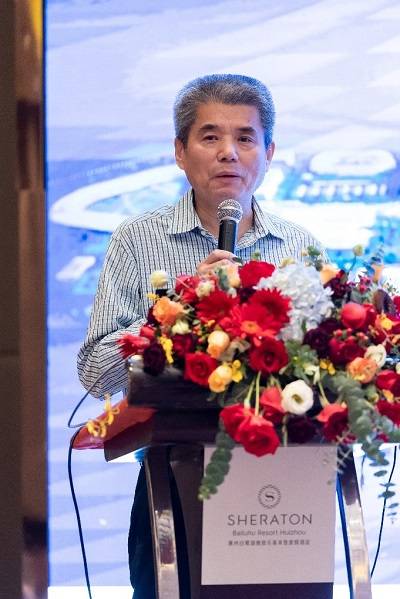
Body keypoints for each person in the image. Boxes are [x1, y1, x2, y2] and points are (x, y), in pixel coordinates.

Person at [77, 73, 326, 598]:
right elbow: (96, 372)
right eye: (210, 137)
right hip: (172, 481)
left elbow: (326, 367)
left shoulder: (300, 247)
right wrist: (179, 310)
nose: (228, 152)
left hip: (288, 485)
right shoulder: (137, 240)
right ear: (179, 152)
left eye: (245, 137)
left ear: (269, 152)